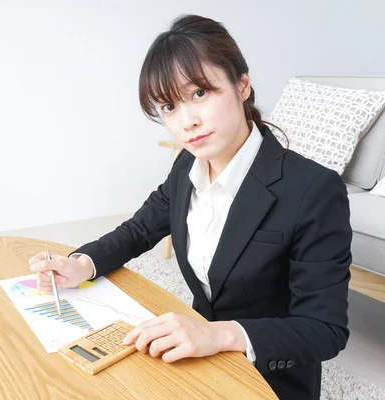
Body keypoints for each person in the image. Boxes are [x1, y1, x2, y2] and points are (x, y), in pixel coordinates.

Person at [28, 14, 352, 400]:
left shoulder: (314, 190)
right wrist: (81, 264)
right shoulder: (186, 166)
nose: (187, 122)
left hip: (265, 379)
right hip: (193, 359)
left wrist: (218, 334)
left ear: (242, 85)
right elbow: (140, 229)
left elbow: (324, 329)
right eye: (168, 106)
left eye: (200, 93)